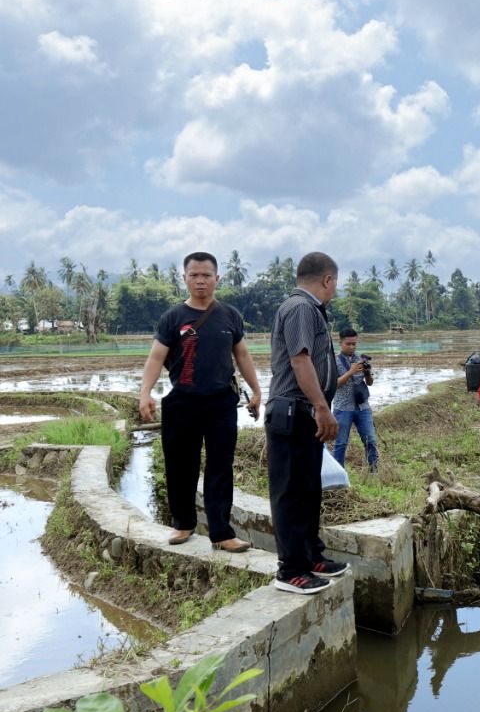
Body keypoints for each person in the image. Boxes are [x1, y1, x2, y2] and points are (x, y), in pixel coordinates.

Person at [139, 251, 260, 553]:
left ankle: (221, 532)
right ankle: (183, 524)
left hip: (220, 402)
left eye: (206, 275)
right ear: (185, 279)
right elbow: (156, 356)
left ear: (217, 279)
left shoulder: (229, 315)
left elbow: (242, 354)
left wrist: (256, 390)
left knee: (220, 467)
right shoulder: (173, 317)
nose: (200, 280)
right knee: (181, 466)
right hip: (182, 402)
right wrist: (145, 393)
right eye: (194, 275)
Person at [264, 252, 347, 594]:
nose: (334, 289)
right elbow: (300, 361)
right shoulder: (300, 307)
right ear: (327, 280)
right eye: (335, 283)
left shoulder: (311, 309)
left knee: (309, 489)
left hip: (305, 414)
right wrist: (321, 408)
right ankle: (290, 570)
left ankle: (311, 556)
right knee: (290, 493)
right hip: (293, 412)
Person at [332, 327, 378, 472]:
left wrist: (367, 372)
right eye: (348, 344)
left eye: (354, 344)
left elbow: (369, 383)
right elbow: (334, 384)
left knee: (370, 440)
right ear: (340, 343)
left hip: (362, 407)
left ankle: (374, 472)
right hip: (343, 407)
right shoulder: (334, 360)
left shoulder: (361, 359)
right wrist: (350, 371)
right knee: (340, 443)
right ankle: (339, 474)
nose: (352, 347)